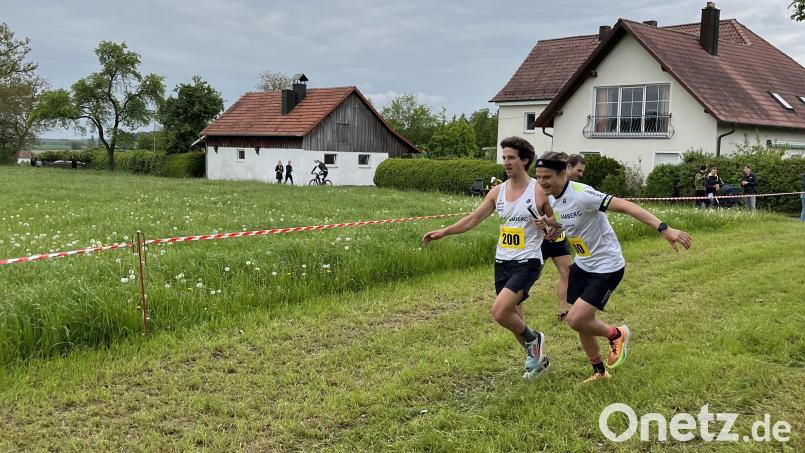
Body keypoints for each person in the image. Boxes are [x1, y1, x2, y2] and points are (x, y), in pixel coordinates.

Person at [534, 151, 691, 382]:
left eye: (546, 177)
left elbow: (627, 206)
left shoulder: (583, 193)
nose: (541, 182)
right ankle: (600, 372)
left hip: (607, 266)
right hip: (583, 264)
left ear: (563, 173)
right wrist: (553, 225)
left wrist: (665, 229)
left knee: (576, 318)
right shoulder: (554, 198)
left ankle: (617, 334)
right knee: (582, 324)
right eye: (538, 177)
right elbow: (572, 220)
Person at [423, 136, 560, 379]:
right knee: (514, 316)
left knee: (500, 312)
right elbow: (473, 219)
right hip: (502, 261)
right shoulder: (498, 191)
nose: (506, 162)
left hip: (528, 261)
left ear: (524, 159)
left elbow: (558, 227)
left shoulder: (539, 191)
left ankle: (534, 339)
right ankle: (539, 361)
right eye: (504, 157)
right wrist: (444, 232)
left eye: (511, 157)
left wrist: (548, 226)